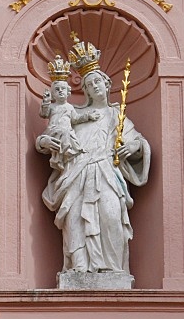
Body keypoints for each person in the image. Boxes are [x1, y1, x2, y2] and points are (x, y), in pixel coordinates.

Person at [36, 63, 150, 276]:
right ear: (85, 91)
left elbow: (136, 141)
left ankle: (114, 270)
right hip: (76, 173)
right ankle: (78, 268)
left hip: (106, 172)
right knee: (76, 219)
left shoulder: (118, 115)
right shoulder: (75, 113)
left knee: (111, 214)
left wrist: (134, 146)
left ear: (107, 85)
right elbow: (55, 132)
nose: (94, 86)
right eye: (89, 84)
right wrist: (43, 142)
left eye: (98, 81)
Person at [39, 78, 99, 171]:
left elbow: (75, 119)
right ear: (53, 94)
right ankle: (61, 157)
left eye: (63, 89)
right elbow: (44, 114)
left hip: (66, 131)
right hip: (53, 130)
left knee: (67, 135)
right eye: (57, 89)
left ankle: (64, 157)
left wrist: (88, 116)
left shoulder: (69, 107)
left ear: (68, 92)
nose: (60, 91)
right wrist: (46, 102)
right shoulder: (52, 106)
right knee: (61, 138)